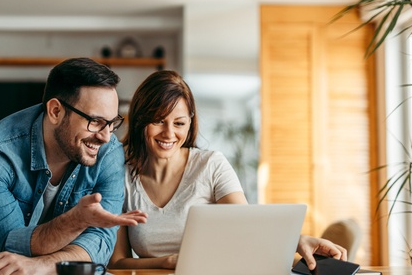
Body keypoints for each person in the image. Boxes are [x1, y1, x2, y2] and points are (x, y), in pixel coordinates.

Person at [108, 70, 347, 271]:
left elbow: (247, 224)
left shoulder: (211, 165)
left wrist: (297, 240)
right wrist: (168, 262)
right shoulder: (119, 173)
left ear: (190, 123)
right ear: (140, 120)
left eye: (179, 123)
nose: (169, 133)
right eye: (158, 121)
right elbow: (117, 262)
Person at [0, 58, 148, 274]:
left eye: (112, 123)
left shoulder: (109, 151)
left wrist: (44, 264)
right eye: (95, 122)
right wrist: (77, 220)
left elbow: (100, 242)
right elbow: (10, 244)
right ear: (55, 111)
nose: (105, 136)